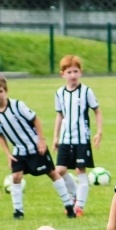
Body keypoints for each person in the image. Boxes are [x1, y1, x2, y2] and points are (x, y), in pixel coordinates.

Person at [0, 75, 76, 219]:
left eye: (0, 91)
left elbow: (35, 119)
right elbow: (1, 135)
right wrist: (7, 153)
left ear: (6, 91)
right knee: (16, 176)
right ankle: (18, 211)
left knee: (52, 173)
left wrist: (41, 141)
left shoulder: (17, 105)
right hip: (19, 151)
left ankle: (68, 205)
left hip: (35, 147)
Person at [53, 55, 103, 217]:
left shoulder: (86, 91)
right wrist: (55, 137)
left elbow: (97, 111)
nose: (73, 75)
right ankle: (74, 194)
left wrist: (98, 131)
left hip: (81, 138)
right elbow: (60, 115)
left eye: (76, 71)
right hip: (65, 138)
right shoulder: (60, 93)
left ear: (80, 72)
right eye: (69, 72)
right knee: (59, 170)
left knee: (80, 170)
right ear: (63, 74)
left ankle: (79, 206)